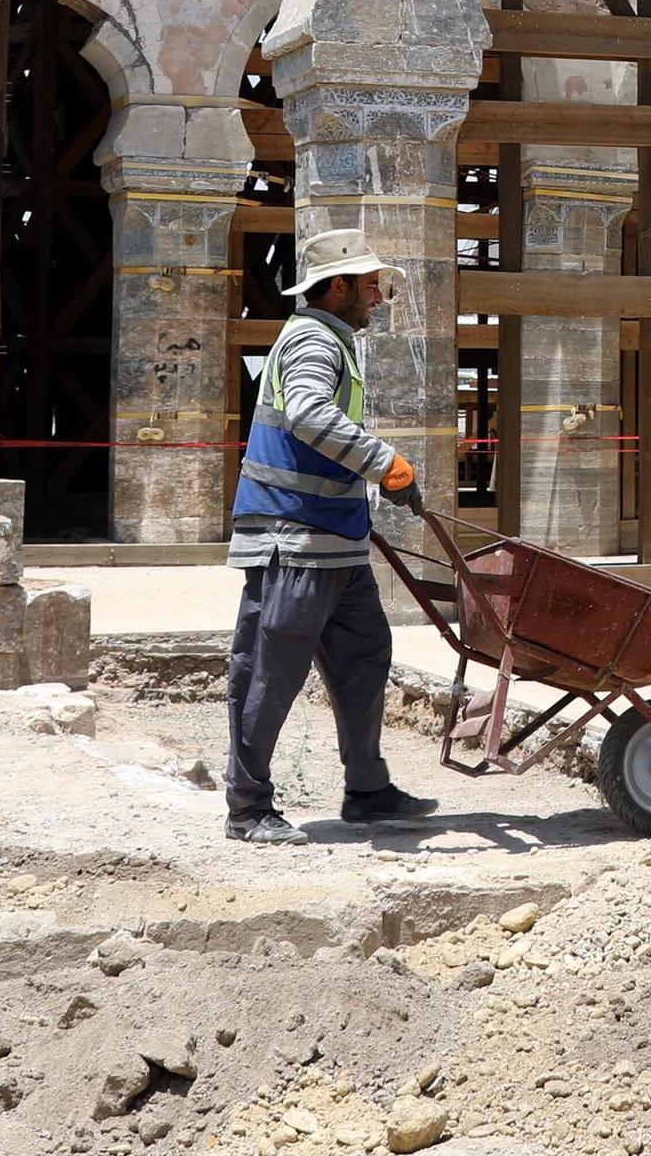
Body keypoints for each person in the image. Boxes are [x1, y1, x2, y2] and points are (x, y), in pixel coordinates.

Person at [225, 228, 439, 842]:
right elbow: (310, 415)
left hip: (335, 543)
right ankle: (249, 808)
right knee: (270, 672)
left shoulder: (335, 342)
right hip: (294, 540)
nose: (378, 296)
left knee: (365, 660)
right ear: (336, 286)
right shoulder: (313, 340)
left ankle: (368, 791)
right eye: (370, 285)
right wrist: (386, 465)